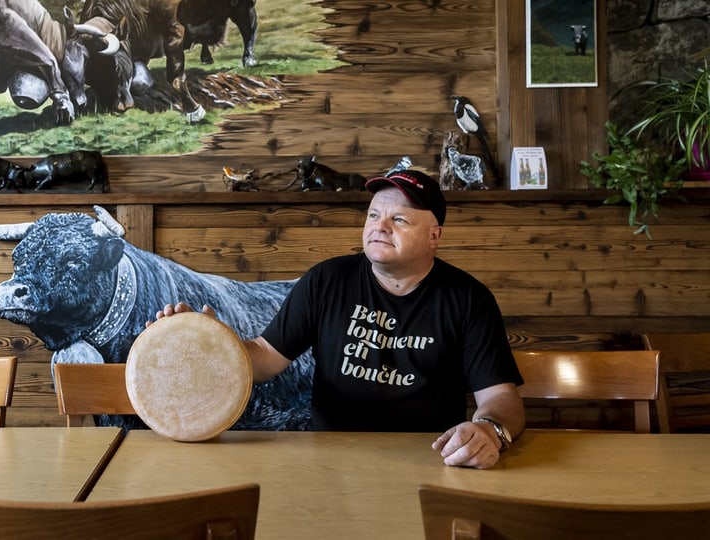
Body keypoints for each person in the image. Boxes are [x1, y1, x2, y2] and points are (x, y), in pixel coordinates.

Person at [150, 170, 525, 469]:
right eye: (374, 215)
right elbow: (264, 357)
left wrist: (489, 430)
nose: (380, 226)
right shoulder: (327, 280)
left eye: (399, 219)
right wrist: (203, 340)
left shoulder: (468, 298)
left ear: (434, 236)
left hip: (429, 457)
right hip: (329, 457)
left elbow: (500, 397)